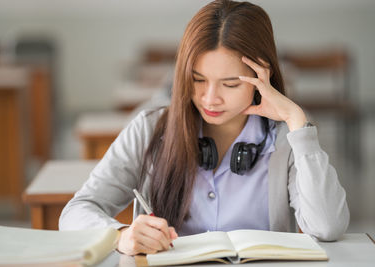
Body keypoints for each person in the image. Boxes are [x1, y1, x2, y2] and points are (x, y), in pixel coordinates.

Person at [59, 0, 349, 256]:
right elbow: (76, 212)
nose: (210, 98)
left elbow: (327, 227)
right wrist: (121, 236)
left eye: (231, 83)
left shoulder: (286, 139)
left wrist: (296, 120)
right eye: (198, 80)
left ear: (262, 74)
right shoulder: (150, 129)